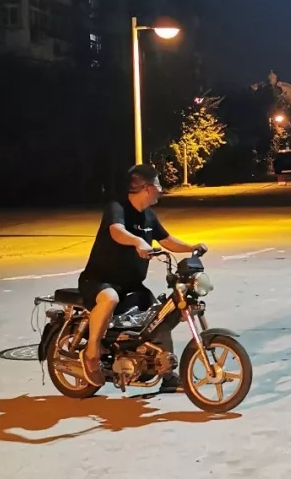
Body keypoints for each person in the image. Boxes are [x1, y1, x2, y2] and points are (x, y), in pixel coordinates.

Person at [78, 164, 204, 390]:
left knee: (160, 318)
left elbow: (166, 240)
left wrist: (191, 247)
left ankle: (167, 375)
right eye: (158, 185)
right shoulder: (117, 208)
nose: (161, 190)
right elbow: (116, 231)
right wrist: (138, 241)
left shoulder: (149, 216)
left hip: (132, 285)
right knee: (110, 298)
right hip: (99, 281)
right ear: (146, 188)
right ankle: (91, 354)